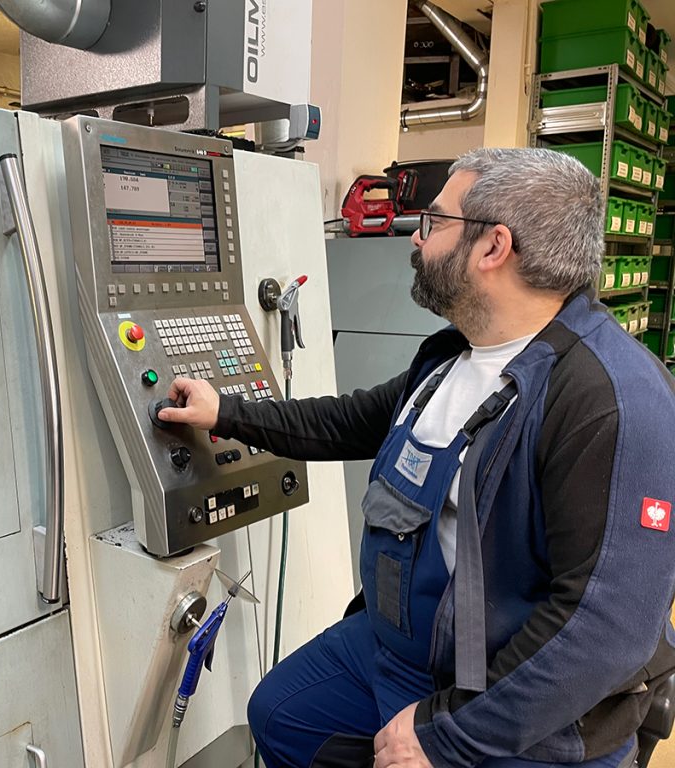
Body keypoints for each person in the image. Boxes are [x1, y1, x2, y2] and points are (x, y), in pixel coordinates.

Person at [158, 148, 675, 768]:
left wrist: (444, 735)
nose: (416, 238)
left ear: (493, 247)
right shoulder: (454, 356)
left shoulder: (611, 400)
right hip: (403, 649)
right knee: (282, 715)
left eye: (434, 221)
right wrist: (227, 412)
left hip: (518, 700)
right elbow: (346, 422)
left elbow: (604, 631)